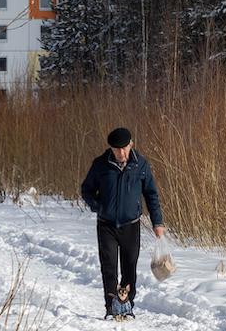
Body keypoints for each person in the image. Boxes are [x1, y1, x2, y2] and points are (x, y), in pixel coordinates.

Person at [79, 127, 165, 319]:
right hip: (106, 225)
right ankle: (111, 308)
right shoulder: (100, 165)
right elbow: (86, 190)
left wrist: (157, 221)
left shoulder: (140, 165)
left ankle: (127, 308)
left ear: (131, 144)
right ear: (111, 148)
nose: (121, 153)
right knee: (109, 267)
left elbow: (151, 194)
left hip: (131, 224)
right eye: (116, 149)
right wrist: (99, 207)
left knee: (129, 267)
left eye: (124, 148)